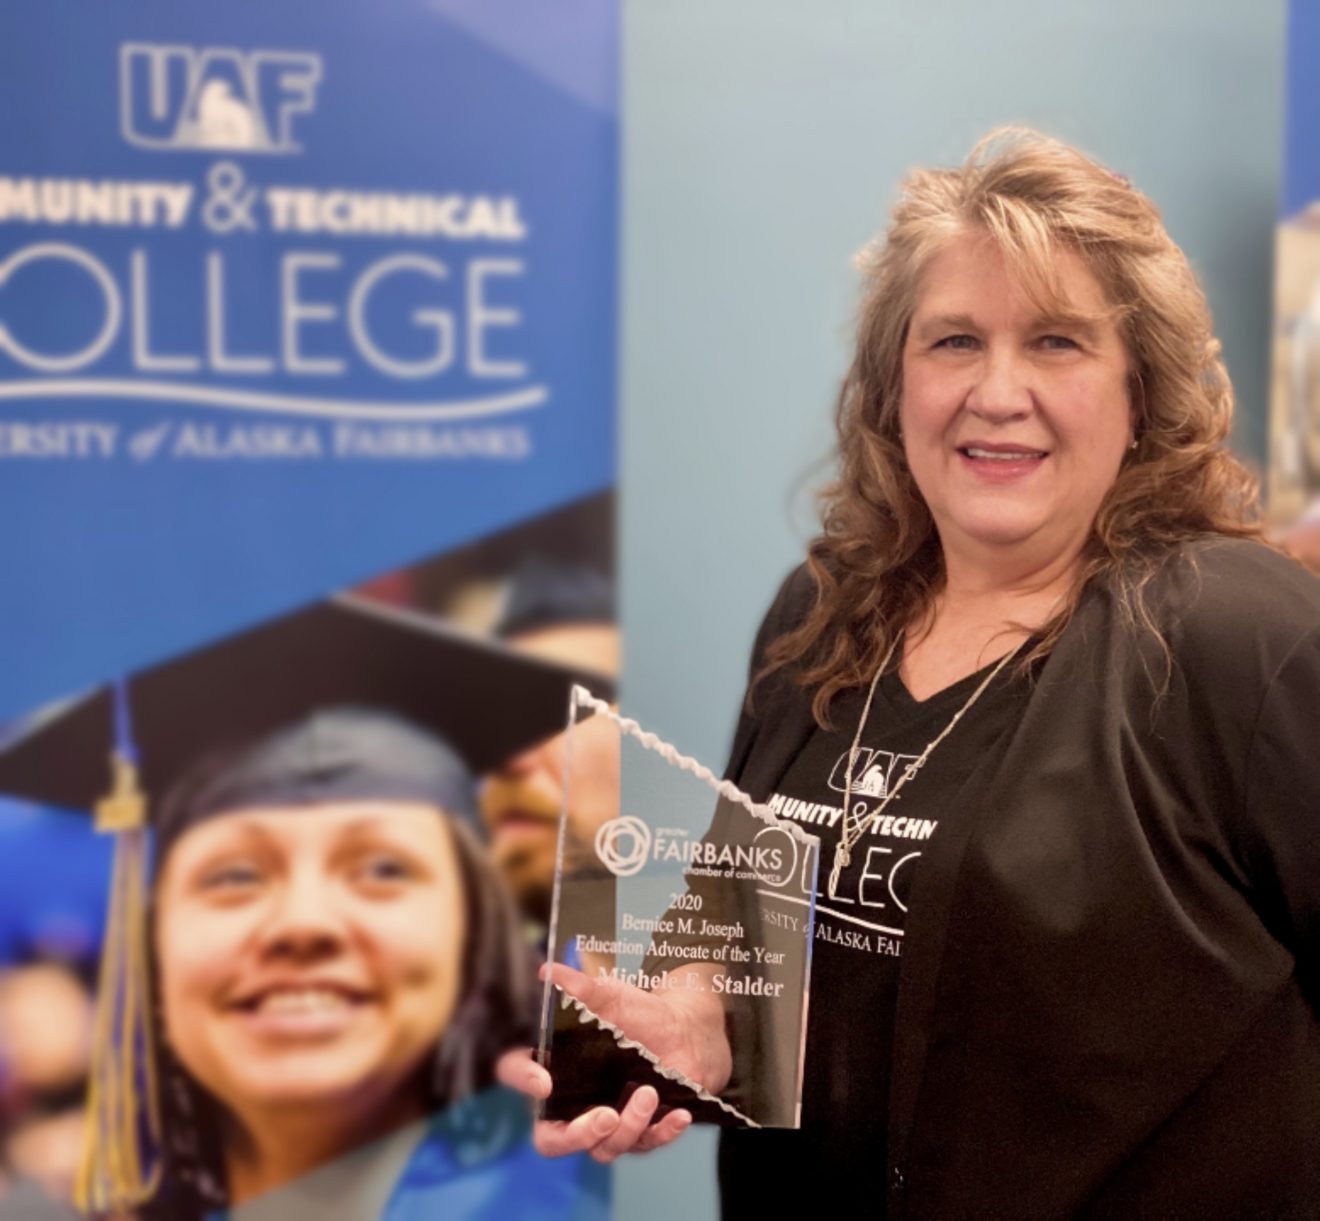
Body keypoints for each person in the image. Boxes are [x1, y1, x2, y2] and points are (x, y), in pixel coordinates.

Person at [502, 127, 1320, 1219]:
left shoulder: (1246, 641)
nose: (997, 391)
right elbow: (746, 932)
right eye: (953, 343)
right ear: (895, 386)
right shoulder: (825, 614)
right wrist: (695, 1025)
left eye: (1059, 343)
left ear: (1142, 394)